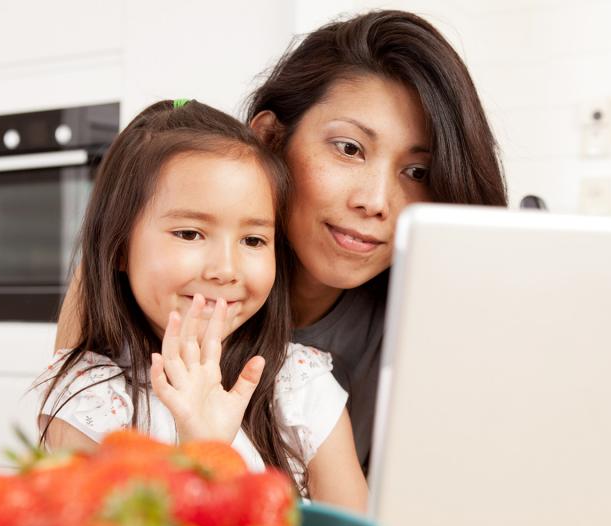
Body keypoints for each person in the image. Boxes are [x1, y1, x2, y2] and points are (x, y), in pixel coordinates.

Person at [55, 10, 508, 474]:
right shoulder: (134, 284)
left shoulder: (432, 319)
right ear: (270, 137)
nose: (376, 202)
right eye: (349, 148)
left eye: (417, 172)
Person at [37, 99, 368, 513]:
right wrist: (203, 451)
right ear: (119, 247)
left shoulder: (299, 386)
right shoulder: (89, 401)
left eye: (253, 240)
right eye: (190, 234)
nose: (225, 270)